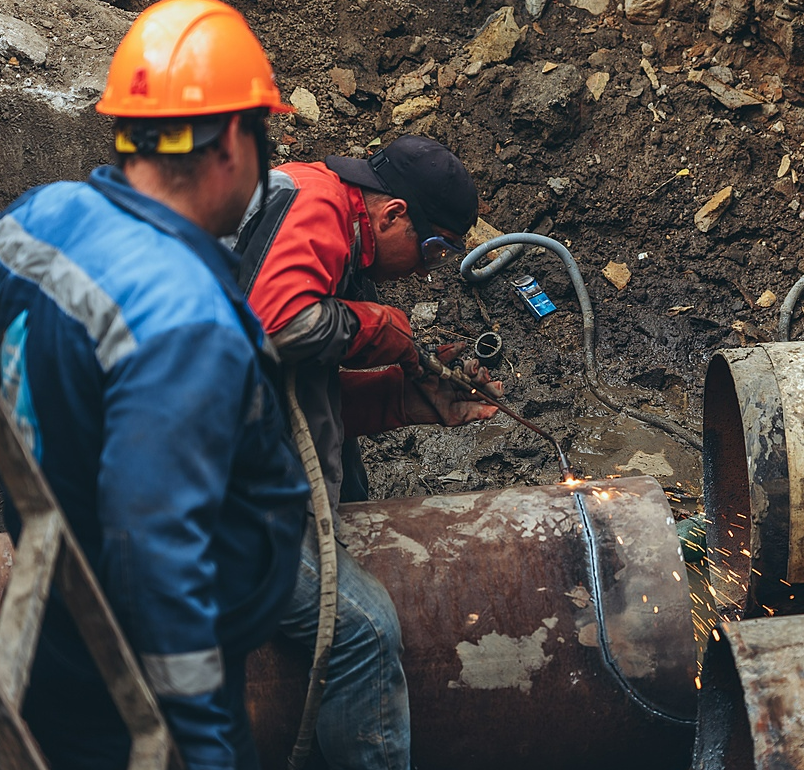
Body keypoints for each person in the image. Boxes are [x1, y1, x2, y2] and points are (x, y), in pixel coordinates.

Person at [0, 2, 309, 768]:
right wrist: (200, 743)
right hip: (123, 695)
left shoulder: (42, 214)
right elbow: (155, 553)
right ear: (238, 137)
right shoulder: (184, 319)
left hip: (46, 625)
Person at [229, 135, 502, 769]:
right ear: (393, 214)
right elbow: (279, 323)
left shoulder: (323, 227)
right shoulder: (315, 203)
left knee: (348, 488)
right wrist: (384, 328)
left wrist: (405, 399)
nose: (426, 271)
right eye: (430, 251)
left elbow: (296, 405)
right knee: (365, 628)